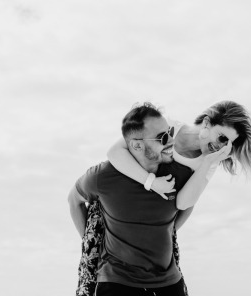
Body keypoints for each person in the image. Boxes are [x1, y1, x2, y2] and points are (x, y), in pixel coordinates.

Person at [68, 103, 232, 296]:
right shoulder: (104, 175)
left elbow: (187, 206)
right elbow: (74, 200)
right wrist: (93, 244)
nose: (171, 141)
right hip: (117, 281)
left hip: (169, 282)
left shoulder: (178, 176)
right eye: (163, 138)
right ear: (137, 145)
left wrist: (160, 230)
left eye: (170, 133)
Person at [108, 100, 251, 207]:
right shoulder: (166, 126)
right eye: (222, 137)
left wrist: (208, 162)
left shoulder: (208, 164)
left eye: (228, 145)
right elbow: (115, 152)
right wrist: (152, 182)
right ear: (207, 123)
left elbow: (183, 204)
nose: (220, 147)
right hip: (114, 196)